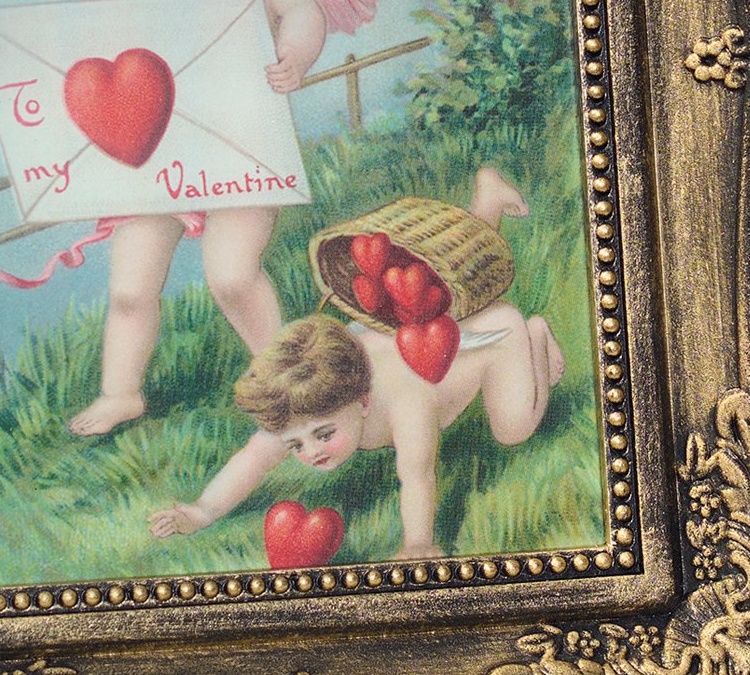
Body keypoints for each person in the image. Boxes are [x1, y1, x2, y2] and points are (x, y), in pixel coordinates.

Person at [0, 0, 331, 433]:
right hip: (153, 156)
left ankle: (285, 380)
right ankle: (121, 393)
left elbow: (304, 16)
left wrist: (295, 56)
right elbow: (63, 31)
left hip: (241, 154)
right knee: (131, 290)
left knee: (233, 276)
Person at [149, 170, 561, 561]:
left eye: (323, 435)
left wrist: (418, 543)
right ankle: (486, 203)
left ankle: (536, 335)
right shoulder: (307, 402)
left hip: (495, 336)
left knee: (512, 430)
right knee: (442, 280)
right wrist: (201, 511)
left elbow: (417, 475)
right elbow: (254, 457)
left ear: (363, 401)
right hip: (430, 328)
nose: (311, 452)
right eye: (295, 445)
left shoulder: (405, 406)